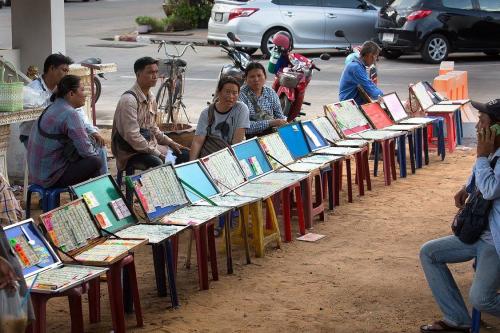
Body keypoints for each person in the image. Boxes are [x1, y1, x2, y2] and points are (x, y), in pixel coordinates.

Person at [419, 99, 500, 333]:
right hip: (479, 234)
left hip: (494, 243)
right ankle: (457, 318)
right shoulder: (491, 153)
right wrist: (466, 187)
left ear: (496, 128)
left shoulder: (488, 154)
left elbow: (491, 189)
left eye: (482, 121)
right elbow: (479, 180)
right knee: (429, 253)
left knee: (482, 299)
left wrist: (482, 156)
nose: (476, 126)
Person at [20, 53, 108, 175]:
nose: (66, 74)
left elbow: (79, 113)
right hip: (36, 137)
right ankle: (99, 185)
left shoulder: (64, 91)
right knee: (90, 158)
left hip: (60, 136)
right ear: (51, 69)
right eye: (64, 70)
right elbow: (40, 110)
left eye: (67, 71)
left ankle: (102, 184)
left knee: (98, 147)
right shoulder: (33, 89)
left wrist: (92, 131)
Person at [112, 57, 189, 174]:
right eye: (150, 72)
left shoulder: (151, 97)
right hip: (130, 152)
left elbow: (153, 128)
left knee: (184, 154)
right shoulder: (128, 101)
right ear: (138, 75)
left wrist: (170, 142)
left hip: (149, 146)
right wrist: (158, 153)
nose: (155, 76)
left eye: (156, 72)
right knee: (158, 162)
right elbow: (133, 138)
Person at [27, 75, 102, 188]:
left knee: (92, 162)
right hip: (50, 177)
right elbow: (86, 151)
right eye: (82, 90)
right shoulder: (70, 113)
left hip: (36, 175)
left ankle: (95, 197)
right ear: (71, 94)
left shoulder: (53, 107)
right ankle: (98, 198)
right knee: (96, 162)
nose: (85, 94)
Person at [190, 77, 250, 160]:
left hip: (232, 155)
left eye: (234, 93)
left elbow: (237, 142)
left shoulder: (241, 109)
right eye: (227, 92)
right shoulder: (206, 113)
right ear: (219, 92)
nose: (231, 96)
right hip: (210, 155)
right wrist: (192, 164)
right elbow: (198, 142)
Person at [239, 62, 287, 137]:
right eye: (252, 76)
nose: (256, 79)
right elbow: (244, 127)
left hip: (270, 134)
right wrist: (270, 123)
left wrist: (283, 122)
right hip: (248, 137)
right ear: (246, 79)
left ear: (265, 77)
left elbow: (279, 116)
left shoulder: (271, 93)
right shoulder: (241, 95)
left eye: (259, 75)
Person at [339, 41, 383, 106]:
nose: (375, 60)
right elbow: (372, 91)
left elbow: (370, 85)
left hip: (355, 101)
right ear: (370, 55)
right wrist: (382, 95)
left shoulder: (359, 65)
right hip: (350, 105)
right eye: (376, 57)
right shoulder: (356, 67)